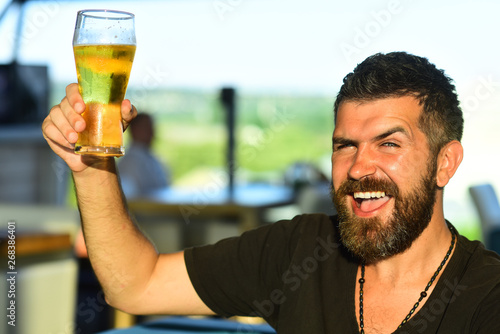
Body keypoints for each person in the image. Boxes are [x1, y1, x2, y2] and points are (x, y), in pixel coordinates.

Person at [42, 52, 500, 333]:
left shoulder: (486, 297)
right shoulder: (299, 251)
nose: (360, 167)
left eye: (389, 144)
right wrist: (91, 169)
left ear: (445, 162)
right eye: (345, 146)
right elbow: (134, 285)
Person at [117, 112, 170, 198]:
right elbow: (130, 197)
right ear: (134, 130)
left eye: (152, 128)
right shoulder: (129, 163)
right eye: (147, 128)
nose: (152, 133)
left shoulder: (151, 158)